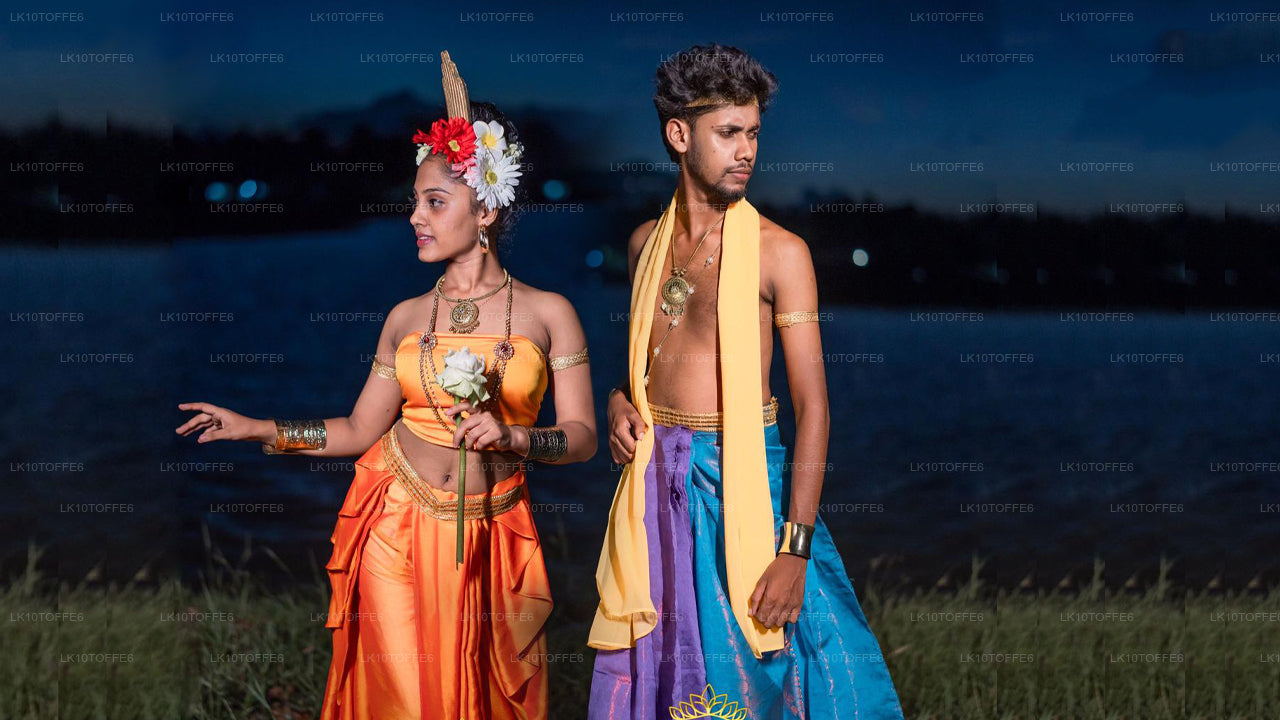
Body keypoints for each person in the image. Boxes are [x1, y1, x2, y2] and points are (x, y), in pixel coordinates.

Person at [174, 51, 596, 720]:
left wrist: (517, 437)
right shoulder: (404, 318)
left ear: (486, 209)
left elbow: (582, 439)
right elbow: (356, 430)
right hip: (395, 524)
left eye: (435, 202)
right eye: (414, 203)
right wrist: (259, 429)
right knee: (402, 699)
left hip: (495, 535)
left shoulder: (550, 314)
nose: (415, 217)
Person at [587, 43, 904, 719]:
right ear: (679, 135)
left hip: (742, 487)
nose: (747, 151)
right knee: (659, 667)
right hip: (655, 489)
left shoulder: (780, 254)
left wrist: (796, 549)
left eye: (753, 133)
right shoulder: (645, 244)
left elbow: (813, 409)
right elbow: (641, 366)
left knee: (759, 676)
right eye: (729, 132)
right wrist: (616, 402)